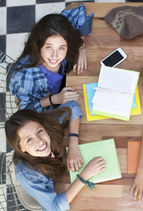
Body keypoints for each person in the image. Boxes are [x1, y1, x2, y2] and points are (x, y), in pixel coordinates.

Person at [9, 4, 94, 169]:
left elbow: (78, 11)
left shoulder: (62, 35)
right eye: (49, 48)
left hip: (61, 89)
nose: (55, 56)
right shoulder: (24, 77)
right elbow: (26, 113)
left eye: (61, 48)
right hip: (43, 108)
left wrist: (81, 45)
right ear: (39, 44)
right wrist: (55, 99)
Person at [5, 108, 106, 211]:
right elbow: (55, 207)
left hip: (62, 170)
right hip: (58, 194)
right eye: (29, 140)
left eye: (39, 131)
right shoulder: (27, 174)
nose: (39, 141)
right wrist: (84, 176)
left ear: (43, 126)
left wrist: (73, 146)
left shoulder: (45, 124)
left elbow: (73, 108)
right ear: (21, 148)